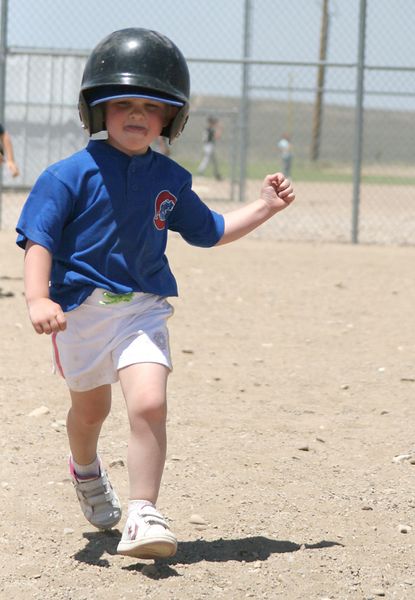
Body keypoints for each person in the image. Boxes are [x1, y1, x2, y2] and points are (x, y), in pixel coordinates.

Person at [16, 28, 295, 561]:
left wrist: (264, 207)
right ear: (96, 110)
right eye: (122, 103)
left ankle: (143, 511)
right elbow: (39, 239)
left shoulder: (170, 177)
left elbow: (209, 229)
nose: (137, 114)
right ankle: (87, 470)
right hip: (78, 314)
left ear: (172, 117)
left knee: (149, 402)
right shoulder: (66, 175)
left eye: (152, 105)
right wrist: (37, 299)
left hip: (141, 308)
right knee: (90, 411)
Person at [196, 115, 222, 180]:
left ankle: (216, 174)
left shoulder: (208, 129)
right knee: (207, 160)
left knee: (213, 161)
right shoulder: (210, 129)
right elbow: (217, 137)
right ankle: (200, 171)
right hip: (209, 146)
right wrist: (219, 129)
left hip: (207, 145)